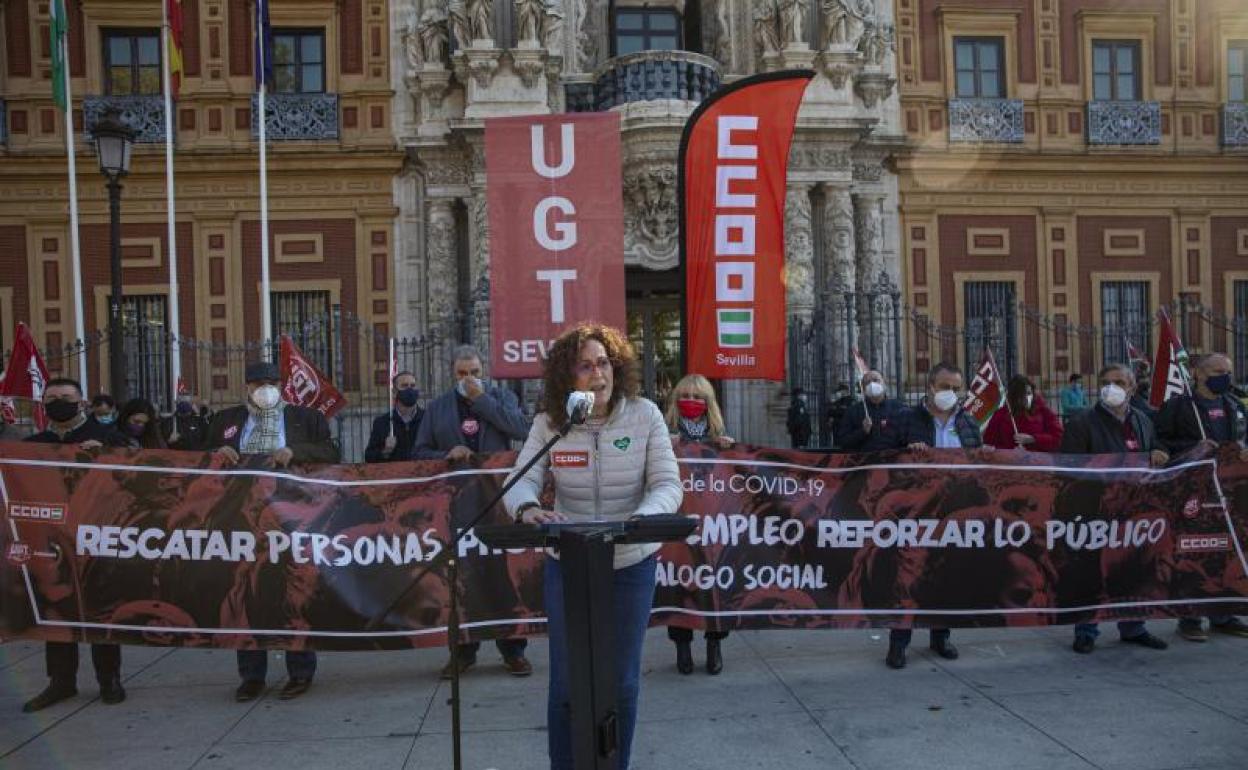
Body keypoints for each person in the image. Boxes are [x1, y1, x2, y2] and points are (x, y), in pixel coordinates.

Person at [505, 323, 682, 770]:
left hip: (630, 563)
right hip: (569, 563)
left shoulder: (645, 416)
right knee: (566, 684)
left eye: (603, 362)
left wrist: (642, 518)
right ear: (568, 377)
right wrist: (527, 508)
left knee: (621, 683)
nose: (596, 373)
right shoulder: (551, 422)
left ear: (616, 367)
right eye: (584, 365)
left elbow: (667, 483)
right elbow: (521, 477)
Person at [204, 361, 340, 702]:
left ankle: (300, 670)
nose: (264, 388)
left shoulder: (305, 418)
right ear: (246, 386)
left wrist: (295, 452)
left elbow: (330, 452)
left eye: (270, 382)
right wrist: (215, 454)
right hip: (240, 518)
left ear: (281, 386)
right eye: (257, 382)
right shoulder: (226, 421)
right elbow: (197, 459)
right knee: (245, 591)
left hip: (292, 517)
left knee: (294, 590)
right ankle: (251, 675)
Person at [414, 345, 533, 678]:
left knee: (500, 574)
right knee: (460, 578)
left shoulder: (502, 399)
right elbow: (419, 450)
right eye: (462, 375)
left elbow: (521, 430)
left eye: (475, 373)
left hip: (496, 501)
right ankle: (463, 652)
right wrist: (445, 452)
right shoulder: (437, 408)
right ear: (453, 375)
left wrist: (482, 400)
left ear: (485, 372)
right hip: (457, 505)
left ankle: (513, 651)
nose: (468, 380)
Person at [21, 377, 130, 712]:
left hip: (96, 535)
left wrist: (108, 457)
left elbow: (136, 474)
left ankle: (109, 678)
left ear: (81, 402)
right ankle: (61, 681)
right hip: (51, 539)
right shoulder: (33, 443)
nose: (59, 403)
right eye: (51, 398)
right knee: (56, 607)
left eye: (66, 397)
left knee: (99, 608)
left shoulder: (108, 437)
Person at [889, 362, 994, 669]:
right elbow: (883, 458)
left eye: (955, 388)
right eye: (945, 387)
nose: (950, 393)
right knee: (908, 576)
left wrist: (985, 455)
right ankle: (899, 642)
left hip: (954, 511)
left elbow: (976, 465)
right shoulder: (906, 420)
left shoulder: (969, 423)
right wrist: (907, 452)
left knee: (946, 575)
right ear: (930, 387)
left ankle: (941, 636)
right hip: (916, 511)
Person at [1060, 363, 1170, 655]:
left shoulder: (1144, 421)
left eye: (1120, 382)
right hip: (1096, 511)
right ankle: (1086, 629)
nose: (1113, 387)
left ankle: (1134, 627)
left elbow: (1154, 452)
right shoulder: (1082, 423)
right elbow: (1068, 469)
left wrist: (1159, 454)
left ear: (1132, 388)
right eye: (1107, 382)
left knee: (1135, 569)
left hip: (1135, 509)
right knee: (1092, 572)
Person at [1154, 352, 1248, 641]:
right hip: (1191, 490)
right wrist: (1195, 447)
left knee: (1224, 551)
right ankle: (1190, 618)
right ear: (1198, 374)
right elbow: (1160, 441)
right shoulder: (1179, 406)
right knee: (1191, 552)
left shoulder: (1234, 405)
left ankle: (1223, 614)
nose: (1225, 377)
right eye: (1218, 370)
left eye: (1228, 371)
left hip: (1227, 491)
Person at [663, 373, 733, 675]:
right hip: (678, 514)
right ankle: (682, 645)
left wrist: (726, 447)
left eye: (698, 397)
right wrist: (664, 445)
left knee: (712, 579)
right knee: (679, 580)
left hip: (710, 517)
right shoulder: (665, 430)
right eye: (686, 396)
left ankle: (714, 643)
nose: (691, 402)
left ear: (708, 402)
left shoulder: (718, 430)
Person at [984, 374, 1064, 451]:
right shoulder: (1001, 414)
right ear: (1014, 396)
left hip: (1039, 462)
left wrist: (1033, 439)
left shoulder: (1043, 411)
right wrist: (1009, 452)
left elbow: (1058, 438)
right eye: (1022, 395)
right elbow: (989, 443)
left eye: (1029, 394)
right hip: (1010, 462)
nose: (1026, 398)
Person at [836, 370, 907, 453]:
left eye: (875, 380)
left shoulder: (899, 408)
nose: (872, 384)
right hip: (864, 462)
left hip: (894, 460)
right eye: (867, 382)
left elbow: (910, 436)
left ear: (884, 383)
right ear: (863, 388)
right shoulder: (853, 411)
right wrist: (862, 432)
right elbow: (843, 442)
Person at [364, 370, 425, 463]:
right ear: (394, 392)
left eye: (413, 386)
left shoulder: (428, 419)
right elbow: (369, 457)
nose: (409, 389)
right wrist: (385, 451)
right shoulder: (382, 422)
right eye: (404, 386)